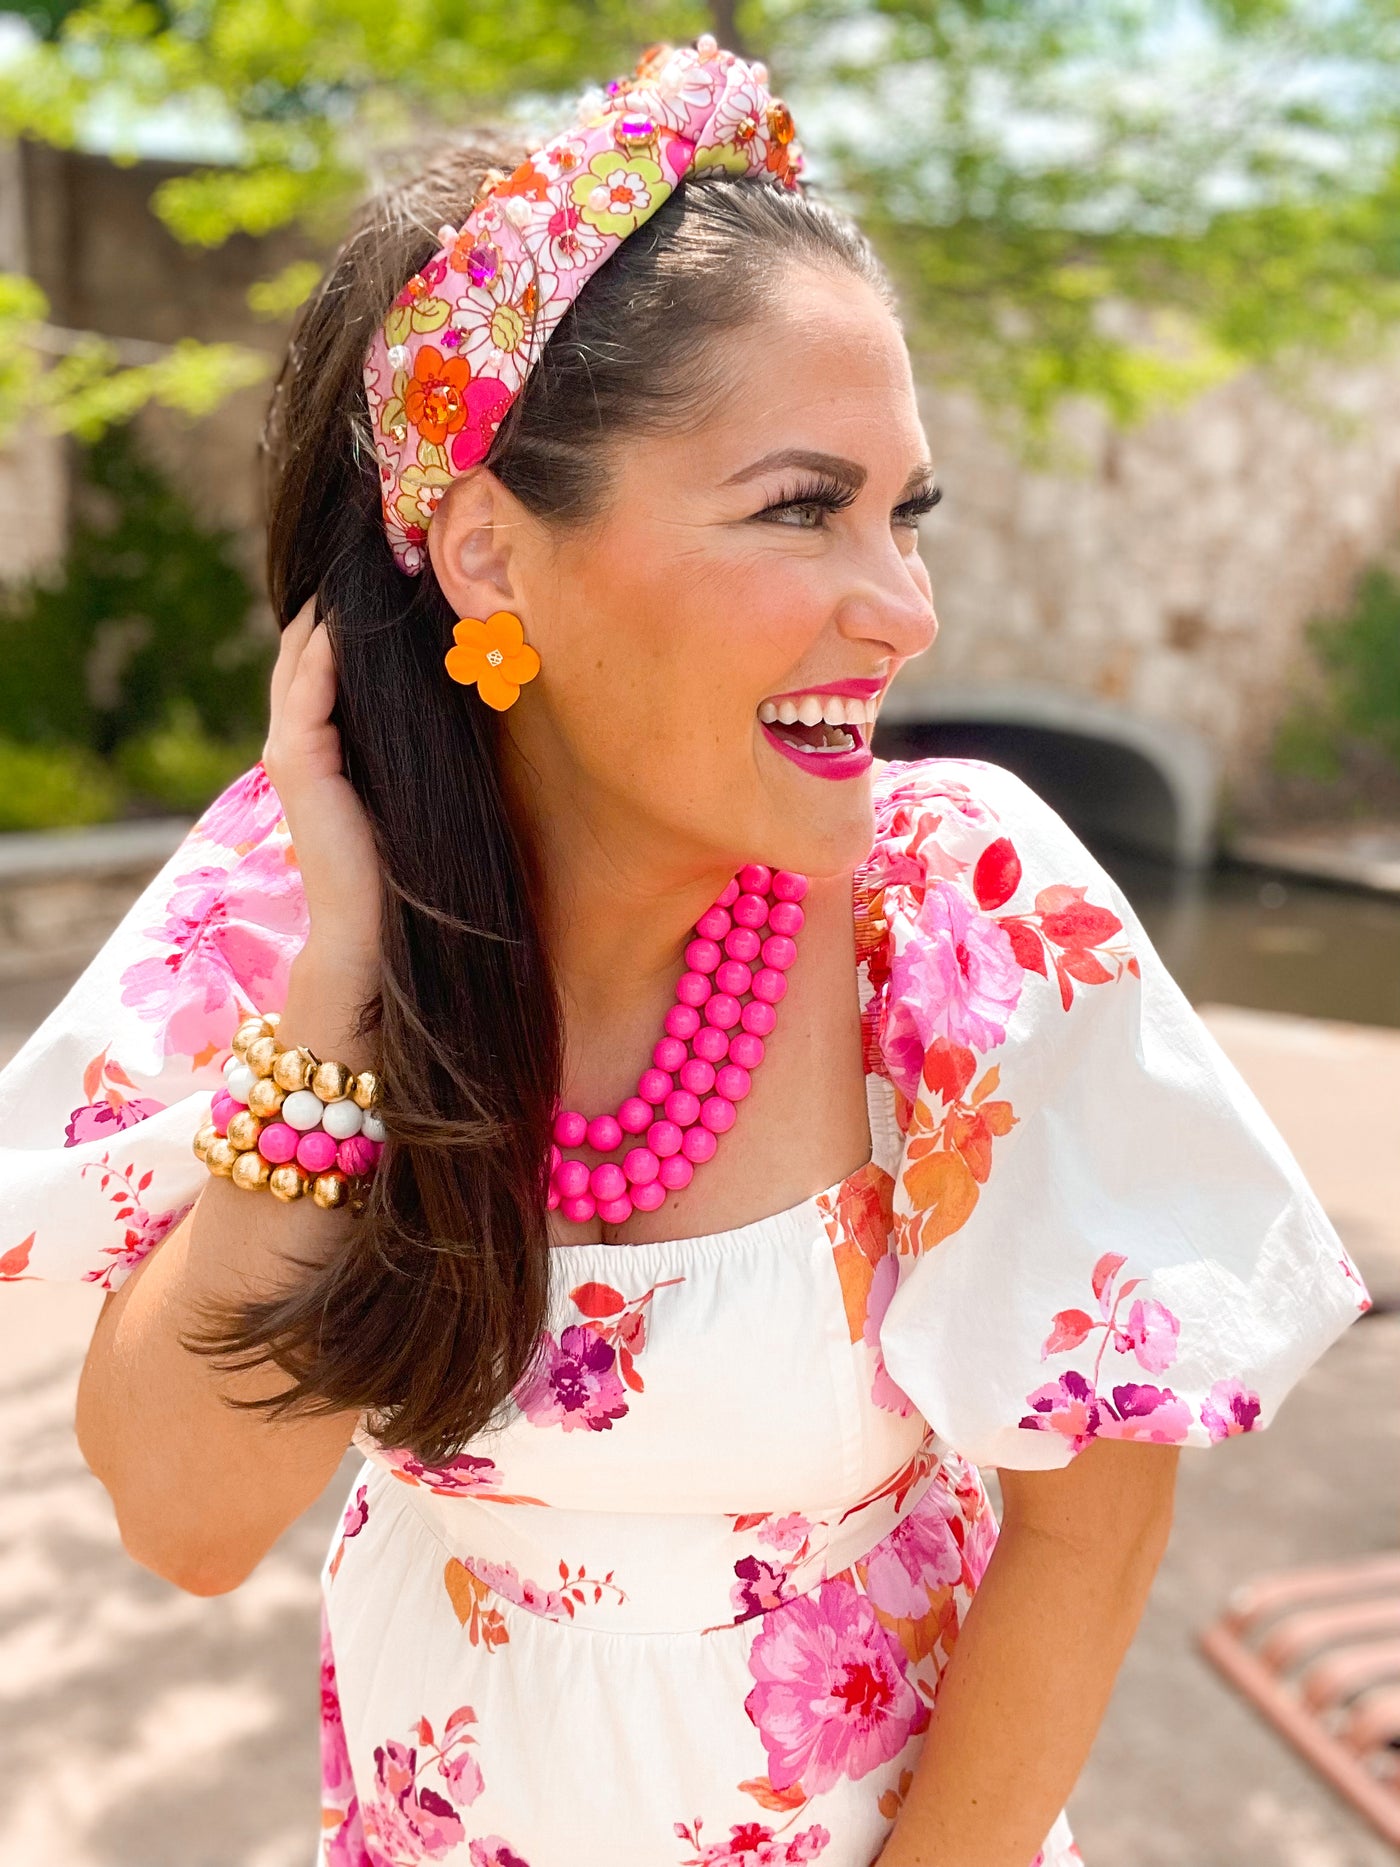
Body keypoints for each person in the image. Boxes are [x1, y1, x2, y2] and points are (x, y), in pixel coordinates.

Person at [0, 36, 1371, 1867]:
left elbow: (1089, 1526)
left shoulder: (955, 907)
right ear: (491, 552)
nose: (904, 606)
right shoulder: (305, 897)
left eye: (904, 512)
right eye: (802, 507)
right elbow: (184, 1518)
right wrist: (346, 991)